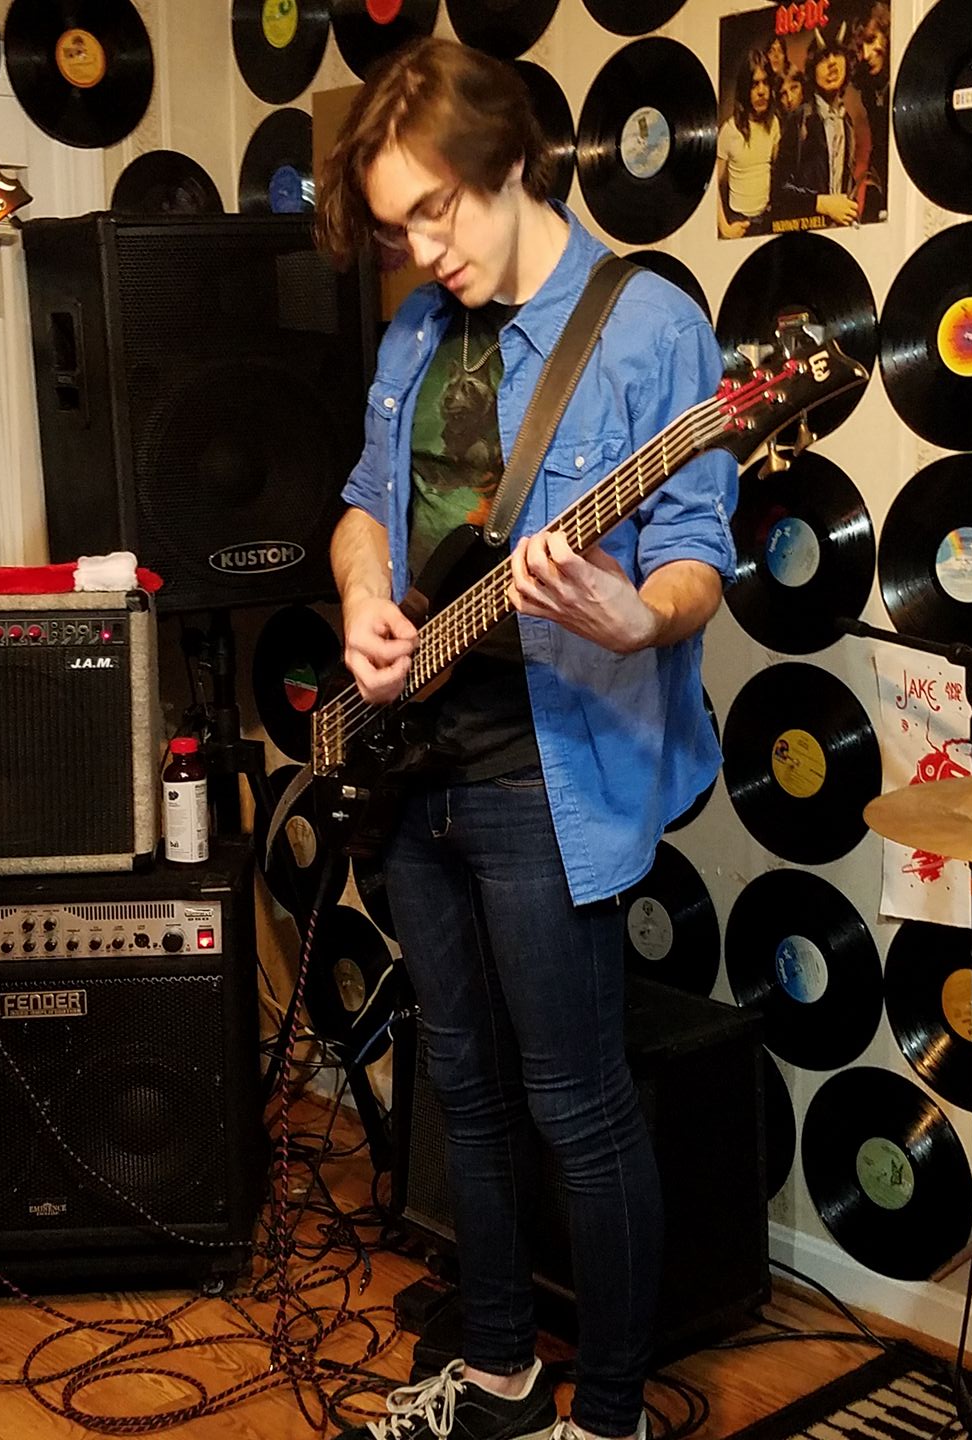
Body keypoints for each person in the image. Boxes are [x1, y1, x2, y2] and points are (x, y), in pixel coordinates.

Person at [313, 35, 736, 1440]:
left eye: (435, 211)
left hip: (545, 770)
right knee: (463, 1088)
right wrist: (364, 597)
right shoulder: (413, 333)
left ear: (510, 162)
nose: (422, 249)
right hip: (412, 762)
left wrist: (633, 616)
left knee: (579, 1105)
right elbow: (363, 504)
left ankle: (607, 1417)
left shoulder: (648, 326)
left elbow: (697, 554)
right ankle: (497, 1374)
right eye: (399, 227)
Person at [772, 24, 858, 227]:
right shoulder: (799, 119)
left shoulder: (846, 122)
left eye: (837, 54)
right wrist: (820, 203)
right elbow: (778, 190)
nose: (832, 63)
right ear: (813, 69)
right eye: (822, 58)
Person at [717, 49, 781, 238]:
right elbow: (711, 185)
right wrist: (724, 227)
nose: (761, 91)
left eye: (765, 83)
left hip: (767, 218)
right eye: (754, 85)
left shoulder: (774, 123)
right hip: (739, 221)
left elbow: (777, 170)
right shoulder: (730, 130)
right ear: (745, 89)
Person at [852, 1, 890, 223]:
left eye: (871, 40)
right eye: (860, 47)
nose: (865, 55)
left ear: (888, 35)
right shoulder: (869, 87)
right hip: (879, 170)